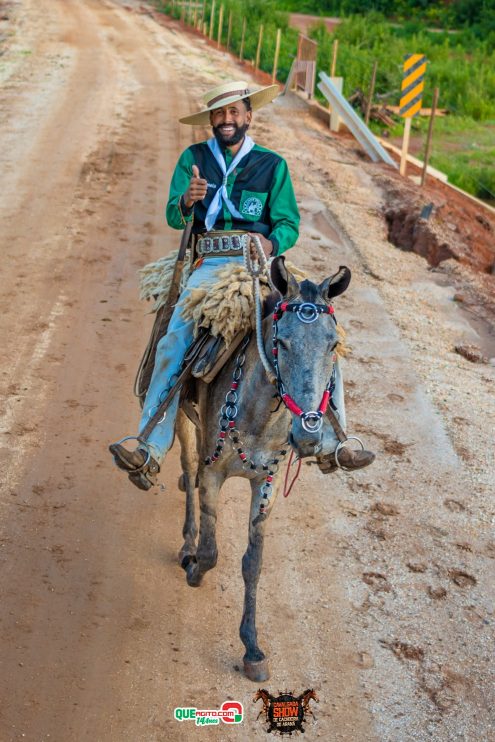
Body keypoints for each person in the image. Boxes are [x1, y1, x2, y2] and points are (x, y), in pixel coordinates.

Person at [109, 81, 374, 490]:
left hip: (262, 263)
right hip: (209, 264)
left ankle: (333, 440)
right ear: (212, 120)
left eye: (235, 112)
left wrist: (270, 242)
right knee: (173, 340)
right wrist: (186, 201)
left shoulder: (272, 165)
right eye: (220, 114)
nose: (227, 120)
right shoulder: (193, 159)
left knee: (319, 332)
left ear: (249, 116)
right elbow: (173, 218)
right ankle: (150, 447)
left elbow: (288, 223)